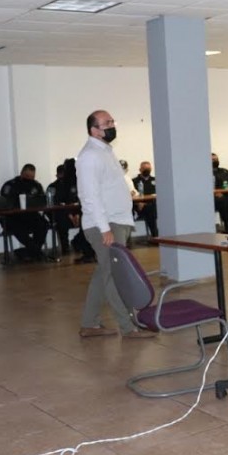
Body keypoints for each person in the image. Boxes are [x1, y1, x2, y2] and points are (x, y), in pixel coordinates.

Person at [76, 110, 155, 339]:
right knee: (115, 276)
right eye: (107, 123)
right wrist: (105, 228)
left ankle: (89, 324)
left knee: (104, 273)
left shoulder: (104, 151)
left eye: (112, 121)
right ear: (94, 130)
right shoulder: (90, 155)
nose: (112, 125)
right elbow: (89, 196)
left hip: (114, 220)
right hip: (105, 223)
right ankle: (128, 327)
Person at [0, 164, 49, 261]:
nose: (30, 179)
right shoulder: (10, 185)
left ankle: (27, 252)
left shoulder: (36, 185)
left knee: (43, 224)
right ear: (22, 173)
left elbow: (42, 200)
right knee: (18, 228)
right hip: (12, 217)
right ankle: (36, 252)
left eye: (32, 177)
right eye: (27, 176)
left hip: (29, 215)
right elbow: (5, 202)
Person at [132, 161, 158, 238]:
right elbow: (131, 195)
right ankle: (155, 236)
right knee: (150, 209)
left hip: (153, 205)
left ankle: (156, 236)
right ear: (140, 169)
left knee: (151, 208)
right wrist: (138, 203)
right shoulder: (134, 181)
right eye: (144, 168)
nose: (147, 170)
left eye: (148, 169)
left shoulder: (155, 180)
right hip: (139, 207)